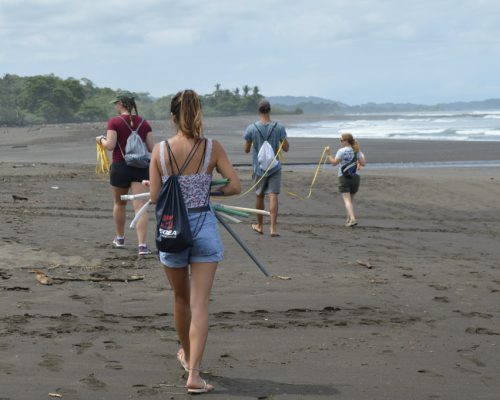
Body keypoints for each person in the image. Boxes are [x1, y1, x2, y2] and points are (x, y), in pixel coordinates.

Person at [149, 90, 241, 394]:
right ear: (199, 113)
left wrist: (160, 187)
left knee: (180, 299)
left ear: (172, 117)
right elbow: (235, 185)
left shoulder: (160, 151)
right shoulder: (212, 148)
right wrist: (208, 192)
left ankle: (187, 356)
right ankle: (194, 374)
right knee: (200, 303)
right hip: (203, 227)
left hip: (172, 230)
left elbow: (153, 198)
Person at [95, 94, 154, 255]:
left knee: (119, 204)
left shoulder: (114, 122)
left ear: (121, 104)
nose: (115, 106)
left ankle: (120, 238)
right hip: (141, 167)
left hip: (120, 166)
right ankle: (142, 245)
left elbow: (110, 145)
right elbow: (151, 148)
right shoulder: (144, 123)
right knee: (140, 206)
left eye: (116, 104)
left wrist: (101, 139)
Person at [244, 99, 289, 237]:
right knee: (273, 195)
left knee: (259, 195)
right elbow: (286, 148)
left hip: (259, 168)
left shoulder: (251, 128)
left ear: (259, 111)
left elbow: (246, 149)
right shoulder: (279, 127)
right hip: (274, 167)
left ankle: (259, 225)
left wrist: (255, 143)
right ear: (269, 110)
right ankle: (273, 229)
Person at [326, 133, 366, 227]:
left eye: (341, 140)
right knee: (350, 200)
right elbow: (363, 163)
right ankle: (348, 219)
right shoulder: (357, 150)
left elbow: (334, 163)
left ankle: (352, 219)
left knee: (347, 201)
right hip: (355, 176)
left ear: (346, 141)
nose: (340, 142)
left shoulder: (341, 151)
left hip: (344, 177)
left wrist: (328, 154)